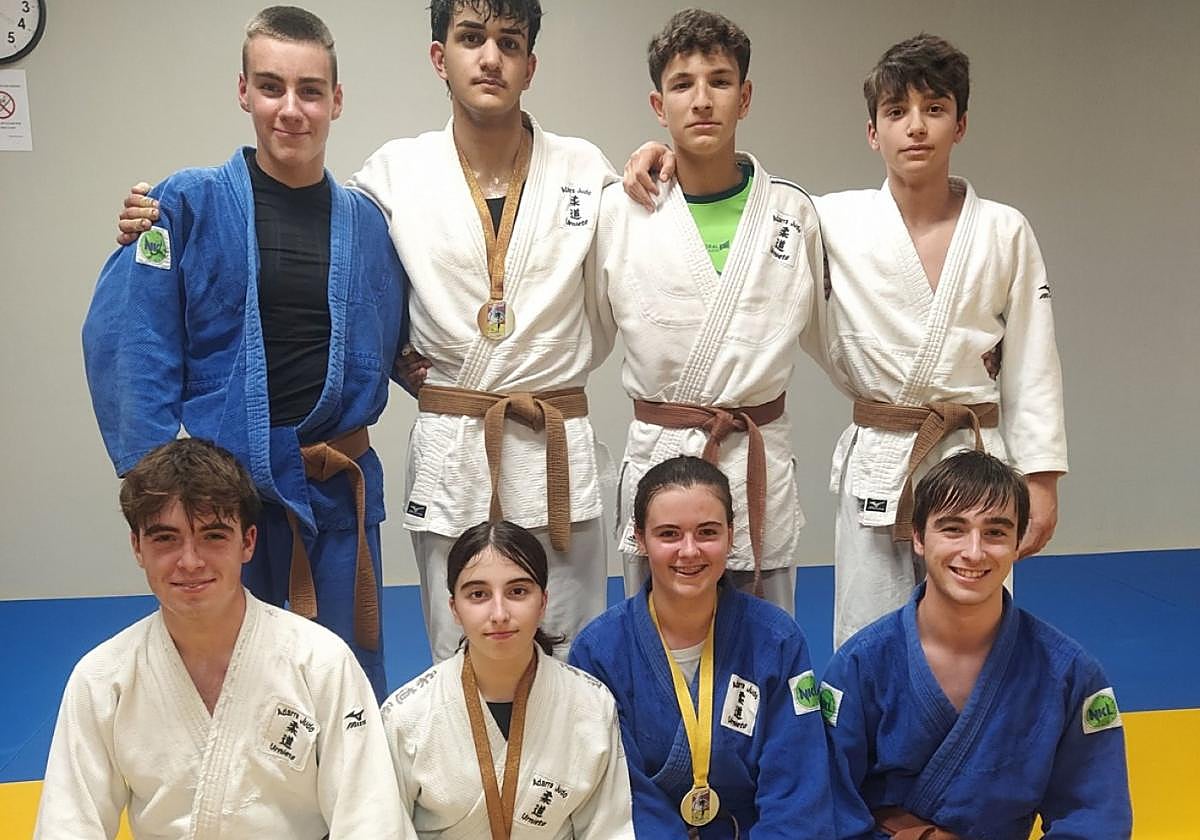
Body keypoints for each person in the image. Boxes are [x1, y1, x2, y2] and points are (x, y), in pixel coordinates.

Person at [623, 33, 1067, 648]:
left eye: (935, 109)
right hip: (881, 453)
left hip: (972, 452)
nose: (916, 127)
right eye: (897, 112)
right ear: (872, 132)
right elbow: (750, 208)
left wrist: (1041, 478)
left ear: (961, 125)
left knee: (979, 623)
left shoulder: (1004, 230)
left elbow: (1032, 361)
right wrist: (661, 154)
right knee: (867, 633)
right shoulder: (827, 219)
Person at [85, 6, 407, 698]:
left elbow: (407, 332)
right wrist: (153, 481)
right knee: (222, 676)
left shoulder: (368, 224)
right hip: (224, 497)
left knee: (344, 682)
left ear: (336, 101)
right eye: (270, 87)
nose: (290, 109)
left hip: (335, 486)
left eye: (309, 90)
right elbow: (130, 336)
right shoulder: (182, 205)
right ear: (243, 92)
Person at [344, 0, 617, 660]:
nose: (491, 57)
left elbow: (639, 264)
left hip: (553, 443)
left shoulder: (584, 170)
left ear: (530, 65)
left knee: (572, 657)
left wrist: (655, 165)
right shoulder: (395, 172)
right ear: (440, 57)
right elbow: (329, 254)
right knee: (458, 656)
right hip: (456, 445)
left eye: (508, 42)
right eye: (471, 38)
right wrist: (172, 217)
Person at [33, 439, 411, 840]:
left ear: (247, 542)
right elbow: (68, 825)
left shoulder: (320, 661)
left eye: (213, 536)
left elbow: (370, 818)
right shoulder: (102, 679)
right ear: (137, 547)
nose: (190, 561)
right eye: (165, 539)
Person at [593, 9, 826, 615]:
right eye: (682, 85)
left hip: (754, 460)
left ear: (744, 97)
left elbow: (838, 338)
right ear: (658, 104)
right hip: (661, 456)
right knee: (653, 638)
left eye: (720, 81)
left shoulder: (792, 213)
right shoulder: (620, 212)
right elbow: (580, 329)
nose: (702, 100)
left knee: (766, 636)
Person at [821, 450, 1131, 838]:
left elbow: (1095, 816)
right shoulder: (860, 666)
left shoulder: (1069, 674)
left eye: (995, 533)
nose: (973, 551)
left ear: (1018, 542)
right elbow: (827, 805)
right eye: (953, 529)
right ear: (918, 537)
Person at [570, 456, 834, 838]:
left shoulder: (778, 639)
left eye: (707, 532)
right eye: (669, 534)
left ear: (731, 534)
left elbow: (797, 783)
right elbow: (618, 794)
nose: (690, 550)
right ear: (640, 539)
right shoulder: (598, 652)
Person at [381, 520, 635, 838]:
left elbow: (608, 829)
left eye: (518, 592)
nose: (499, 614)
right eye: (478, 594)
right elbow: (384, 829)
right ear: (454, 609)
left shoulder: (591, 703)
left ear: (543, 602)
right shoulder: (406, 716)